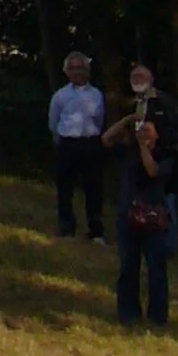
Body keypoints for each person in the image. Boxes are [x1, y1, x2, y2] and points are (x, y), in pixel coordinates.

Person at [104, 64, 178, 330]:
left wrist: (144, 147)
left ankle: (157, 317)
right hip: (128, 212)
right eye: (141, 129)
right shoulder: (129, 149)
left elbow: (153, 171)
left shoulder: (166, 155)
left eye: (148, 130)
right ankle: (128, 313)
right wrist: (129, 120)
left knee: (156, 267)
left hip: (154, 214)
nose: (143, 133)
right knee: (128, 265)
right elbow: (105, 139)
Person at [47, 50, 108, 242]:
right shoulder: (60, 96)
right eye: (72, 68)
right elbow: (53, 122)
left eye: (79, 68)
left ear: (86, 70)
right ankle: (66, 228)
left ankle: (96, 231)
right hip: (67, 143)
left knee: (93, 188)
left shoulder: (96, 95)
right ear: (66, 71)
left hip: (90, 143)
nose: (76, 72)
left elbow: (100, 119)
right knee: (65, 188)